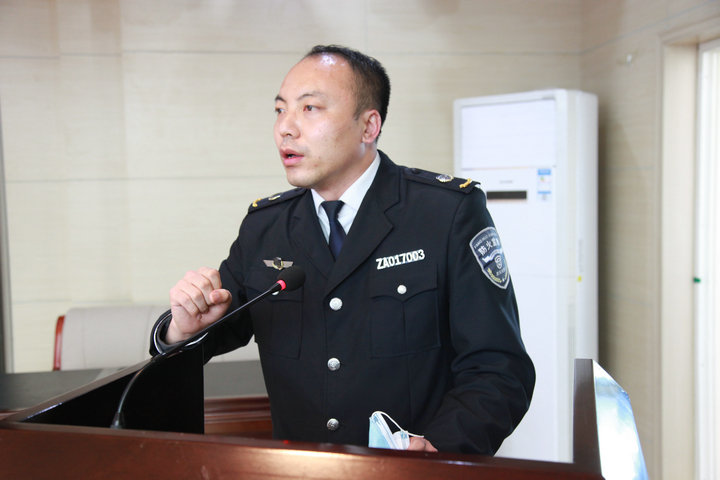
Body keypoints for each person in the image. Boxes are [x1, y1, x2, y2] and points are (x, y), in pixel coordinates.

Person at [150, 44, 535, 454]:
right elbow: (215, 328)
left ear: (368, 126)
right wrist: (181, 331)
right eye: (280, 110)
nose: (285, 128)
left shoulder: (445, 213)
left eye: (309, 108)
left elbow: (499, 368)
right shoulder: (265, 226)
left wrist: (441, 448)